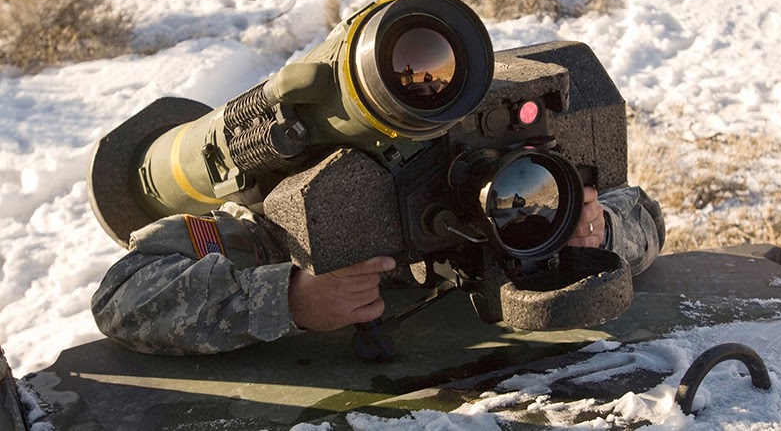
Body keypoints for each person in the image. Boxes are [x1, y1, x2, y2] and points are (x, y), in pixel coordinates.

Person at [91, 184, 665, 355]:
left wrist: (599, 233)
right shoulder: (267, 225)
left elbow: (641, 210)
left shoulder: (481, 176)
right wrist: (290, 298)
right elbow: (119, 297)